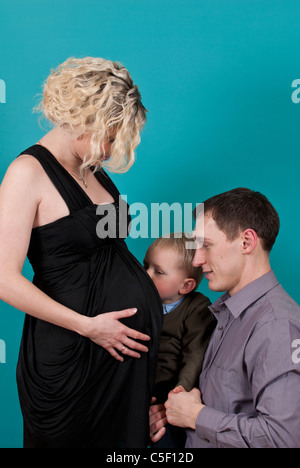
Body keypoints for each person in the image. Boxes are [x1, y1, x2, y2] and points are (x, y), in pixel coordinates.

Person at [0, 57, 163, 448]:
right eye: (110, 136)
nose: (111, 150)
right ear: (83, 118)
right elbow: (3, 279)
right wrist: (88, 326)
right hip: (72, 356)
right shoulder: (27, 173)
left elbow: (104, 257)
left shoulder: (92, 168)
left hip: (120, 359)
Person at [150, 187, 300, 448]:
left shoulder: (275, 327)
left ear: (246, 242)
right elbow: (228, 400)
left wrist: (196, 416)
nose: (196, 260)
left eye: (206, 245)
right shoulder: (228, 313)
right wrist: (175, 411)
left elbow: (282, 439)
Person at [143, 233, 216, 447]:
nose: (146, 275)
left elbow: (195, 354)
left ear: (185, 286)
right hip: (138, 388)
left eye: (158, 272)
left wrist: (180, 390)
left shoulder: (197, 308)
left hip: (170, 392)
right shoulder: (141, 300)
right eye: (145, 266)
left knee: (168, 438)